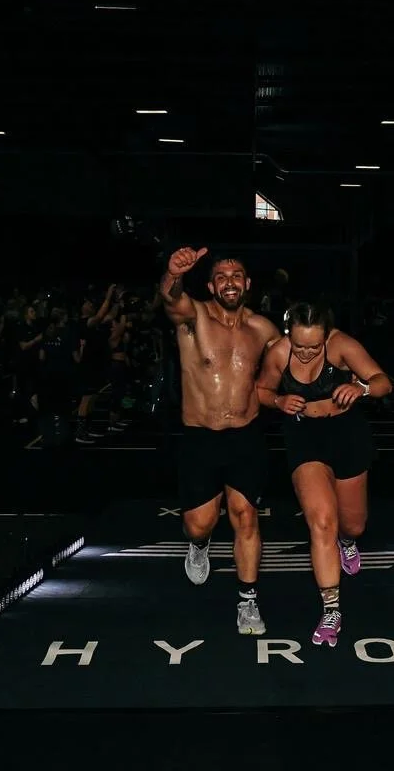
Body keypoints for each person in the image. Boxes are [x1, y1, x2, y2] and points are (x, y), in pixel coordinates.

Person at [160, 246, 281, 635]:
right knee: (199, 525)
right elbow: (171, 299)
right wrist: (173, 274)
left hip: (246, 436)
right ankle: (199, 545)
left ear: (247, 284)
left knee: (246, 517)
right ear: (212, 286)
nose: (230, 282)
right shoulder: (194, 316)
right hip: (201, 438)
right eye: (222, 277)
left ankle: (248, 601)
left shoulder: (263, 330)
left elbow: (295, 360)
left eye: (236, 276)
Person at [255, 302, 392, 647]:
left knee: (352, 525)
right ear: (289, 334)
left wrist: (361, 389)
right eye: (299, 345)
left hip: (347, 434)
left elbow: (383, 383)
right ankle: (331, 609)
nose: (305, 353)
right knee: (322, 522)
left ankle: (348, 542)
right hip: (303, 437)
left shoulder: (342, 344)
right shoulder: (279, 353)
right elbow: (261, 391)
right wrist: (278, 402)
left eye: (314, 346)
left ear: (326, 336)